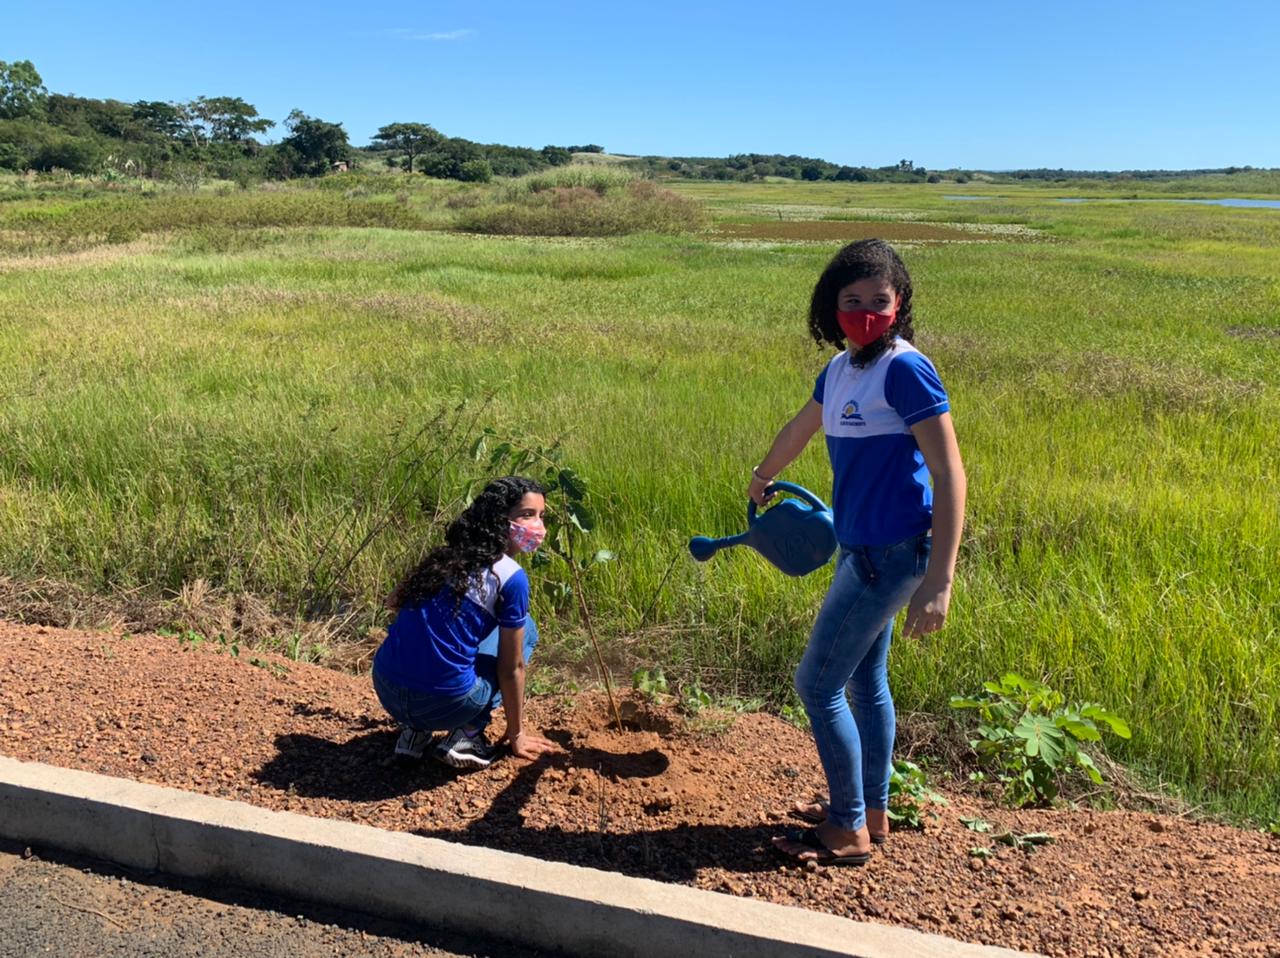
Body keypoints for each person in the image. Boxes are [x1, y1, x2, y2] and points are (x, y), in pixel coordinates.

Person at [751, 239, 966, 866]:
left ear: (899, 305)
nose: (867, 312)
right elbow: (802, 425)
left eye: (880, 301)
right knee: (867, 682)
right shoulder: (843, 369)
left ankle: (846, 830)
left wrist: (941, 581)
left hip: (893, 555)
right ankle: (872, 810)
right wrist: (765, 472)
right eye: (853, 301)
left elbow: (950, 473)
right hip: (859, 548)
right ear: (831, 308)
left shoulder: (906, 368)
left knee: (817, 686)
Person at [372, 476, 558, 770]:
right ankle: (467, 734)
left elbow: (393, 602)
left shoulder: (444, 558)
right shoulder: (509, 576)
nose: (537, 525)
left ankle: (414, 733)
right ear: (500, 520)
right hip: (444, 704)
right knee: (527, 629)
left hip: (387, 688)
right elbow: (512, 669)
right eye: (527, 515)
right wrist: (517, 734)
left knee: (446, 639)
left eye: (540, 516)